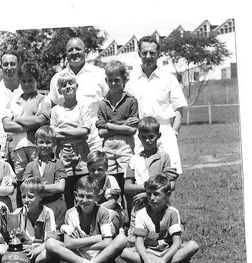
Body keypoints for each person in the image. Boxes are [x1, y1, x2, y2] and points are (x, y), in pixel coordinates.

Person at [125, 35, 188, 174]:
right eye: (144, 53)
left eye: (152, 53)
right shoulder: (132, 81)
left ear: (158, 54)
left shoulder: (169, 79)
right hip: (140, 134)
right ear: (139, 53)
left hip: (164, 132)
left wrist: (174, 132)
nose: (148, 56)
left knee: (167, 178)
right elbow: (127, 110)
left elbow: (179, 108)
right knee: (141, 176)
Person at [44, 175, 128, 263]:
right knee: (50, 243)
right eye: (81, 195)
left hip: (98, 252)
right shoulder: (70, 213)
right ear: (75, 195)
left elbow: (107, 242)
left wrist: (81, 245)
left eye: (89, 196)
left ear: (97, 196)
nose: (84, 200)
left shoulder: (103, 212)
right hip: (78, 253)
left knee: (122, 239)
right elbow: (68, 243)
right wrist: (96, 238)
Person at [121, 174, 199, 263]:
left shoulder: (172, 213)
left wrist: (164, 258)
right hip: (149, 251)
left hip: (168, 250)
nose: (151, 198)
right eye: (149, 194)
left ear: (167, 195)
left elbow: (177, 241)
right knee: (124, 252)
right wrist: (146, 258)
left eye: (156, 194)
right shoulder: (141, 213)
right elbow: (139, 242)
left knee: (193, 245)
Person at [45, 37, 109, 152]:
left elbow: (110, 104)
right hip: (65, 145)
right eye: (70, 50)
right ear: (66, 53)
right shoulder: (56, 79)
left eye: (78, 49)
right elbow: (52, 105)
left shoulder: (99, 74)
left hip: (95, 142)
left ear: (85, 50)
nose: (74, 52)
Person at [2, 62, 51, 207]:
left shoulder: (43, 99)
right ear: (19, 81)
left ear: (37, 81)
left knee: (37, 181)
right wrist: (30, 124)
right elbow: (6, 125)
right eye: (23, 81)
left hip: (36, 146)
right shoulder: (13, 102)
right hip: (17, 148)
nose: (27, 84)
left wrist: (17, 120)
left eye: (30, 80)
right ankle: (22, 216)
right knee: (21, 183)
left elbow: (41, 119)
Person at [124, 117, 178, 243]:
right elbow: (127, 187)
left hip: (160, 206)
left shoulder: (164, 157)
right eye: (143, 137)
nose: (147, 140)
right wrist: (147, 190)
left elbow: (171, 184)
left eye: (151, 136)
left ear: (158, 135)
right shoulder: (133, 159)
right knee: (134, 242)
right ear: (139, 137)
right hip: (139, 207)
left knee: (162, 238)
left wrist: (146, 193)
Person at [96, 60, 138, 195]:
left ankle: (131, 215)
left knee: (128, 186)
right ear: (106, 80)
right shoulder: (103, 104)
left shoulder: (131, 101)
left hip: (125, 147)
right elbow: (101, 133)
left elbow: (132, 130)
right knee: (112, 188)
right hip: (108, 147)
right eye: (110, 80)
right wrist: (123, 125)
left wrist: (109, 125)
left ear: (124, 80)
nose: (113, 84)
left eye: (117, 80)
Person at [50, 72, 92, 209]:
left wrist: (61, 130)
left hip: (81, 152)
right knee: (67, 191)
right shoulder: (56, 110)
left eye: (70, 83)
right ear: (59, 90)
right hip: (63, 153)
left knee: (83, 188)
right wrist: (76, 133)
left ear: (76, 86)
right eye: (63, 85)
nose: (67, 87)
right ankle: (70, 221)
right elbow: (53, 134)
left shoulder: (83, 107)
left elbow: (85, 131)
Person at [23, 126, 67, 228]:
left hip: (56, 205)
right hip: (37, 207)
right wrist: (52, 187)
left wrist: (38, 187)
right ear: (35, 143)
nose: (44, 145)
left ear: (54, 143)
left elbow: (61, 187)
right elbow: (26, 188)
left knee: (55, 232)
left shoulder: (58, 163)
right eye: (41, 142)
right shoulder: (30, 165)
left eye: (48, 142)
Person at [11, 177, 59, 263]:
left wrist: (35, 251)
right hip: (24, 249)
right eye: (23, 196)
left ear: (40, 197)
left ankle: (30, 262)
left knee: (47, 253)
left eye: (30, 197)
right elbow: (13, 239)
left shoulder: (48, 212)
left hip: (41, 249)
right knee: (2, 249)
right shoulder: (18, 212)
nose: (26, 200)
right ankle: (29, 262)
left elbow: (50, 240)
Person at [86, 150, 125, 234]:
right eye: (92, 169)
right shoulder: (87, 182)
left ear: (106, 168)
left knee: (111, 215)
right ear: (88, 169)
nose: (96, 172)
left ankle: (111, 237)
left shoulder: (110, 179)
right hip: (91, 211)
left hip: (110, 210)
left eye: (100, 169)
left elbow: (112, 203)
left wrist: (93, 211)